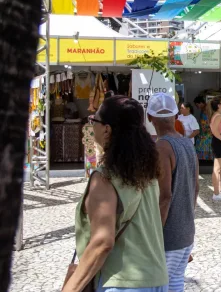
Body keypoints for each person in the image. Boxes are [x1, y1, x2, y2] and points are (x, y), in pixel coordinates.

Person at [63, 96, 168, 292]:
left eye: (94, 120)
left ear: (107, 129)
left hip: (122, 282)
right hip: (157, 278)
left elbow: (102, 242)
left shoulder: (104, 179)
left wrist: (70, 289)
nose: (92, 125)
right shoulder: (147, 173)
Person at [146, 93, 199, 292]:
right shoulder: (186, 142)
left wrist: (154, 236)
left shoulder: (162, 147)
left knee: (159, 285)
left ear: (150, 117)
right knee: (176, 282)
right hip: (186, 231)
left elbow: (164, 196)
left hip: (168, 235)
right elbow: (196, 187)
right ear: (176, 116)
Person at [194, 96, 213, 161]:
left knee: (201, 142)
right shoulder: (204, 108)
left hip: (206, 130)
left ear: (201, 103)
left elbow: (208, 120)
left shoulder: (206, 109)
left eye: (197, 105)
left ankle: (205, 158)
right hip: (204, 129)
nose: (197, 107)